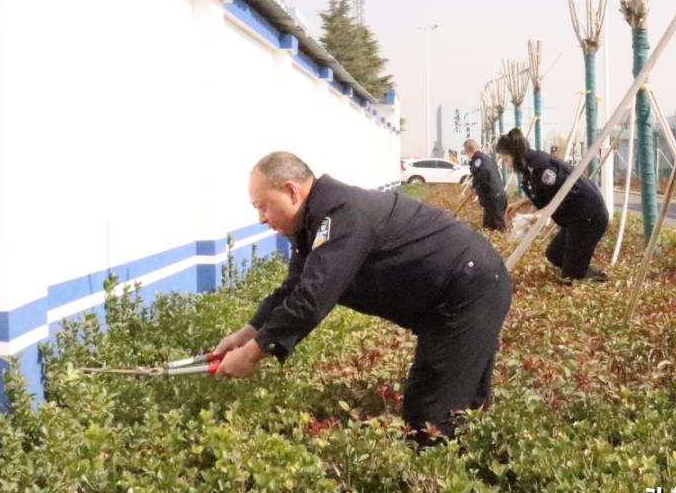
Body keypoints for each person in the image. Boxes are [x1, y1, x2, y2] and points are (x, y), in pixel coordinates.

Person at [211, 152, 512, 445]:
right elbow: (294, 289)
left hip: (468, 289)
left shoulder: (341, 215)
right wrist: (245, 335)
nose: (261, 218)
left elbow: (311, 300)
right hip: (460, 290)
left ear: (291, 191)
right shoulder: (316, 222)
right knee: (462, 407)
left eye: (263, 207)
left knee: (430, 421)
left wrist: (251, 355)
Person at [494, 128, 609, 283]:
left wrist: (536, 215)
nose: (507, 165)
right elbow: (544, 192)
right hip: (574, 218)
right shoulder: (531, 166)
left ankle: (586, 274)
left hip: (588, 217)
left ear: (515, 155)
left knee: (570, 277)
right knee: (554, 255)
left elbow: (562, 196)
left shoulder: (541, 169)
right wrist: (521, 203)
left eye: (506, 160)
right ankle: (581, 268)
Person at [461, 139, 507, 232]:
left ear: (468, 151)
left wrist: (474, 186)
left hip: (494, 197)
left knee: (498, 227)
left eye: (466, 153)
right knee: (487, 226)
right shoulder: (485, 158)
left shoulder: (478, 160)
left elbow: (482, 174)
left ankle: (505, 240)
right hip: (496, 197)